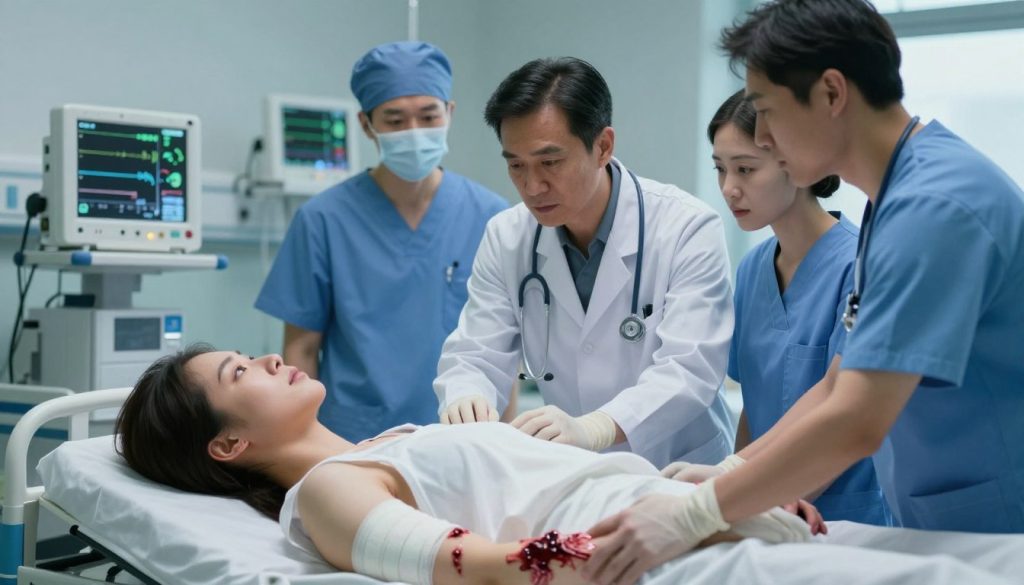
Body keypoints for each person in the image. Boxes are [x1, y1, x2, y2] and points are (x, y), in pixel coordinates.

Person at [583, 1, 1024, 583]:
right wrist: (731, 472)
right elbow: (841, 379)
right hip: (941, 518)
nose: (762, 134)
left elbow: (857, 419)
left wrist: (697, 512)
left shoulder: (934, 206)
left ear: (832, 93)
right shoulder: (893, 203)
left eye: (766, 110)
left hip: (995, 524)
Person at [114, 346, 1022, 585]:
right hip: (659, 558)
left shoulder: (392, 443)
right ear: (227, 445)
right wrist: (626, 539)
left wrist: (697, 488)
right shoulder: (325, 493)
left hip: (701, 521)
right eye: (243, 371)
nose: (271, 360)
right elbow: (471, 563)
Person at [433, 57, 736, 469]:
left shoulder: (686, 228)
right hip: (577, 473)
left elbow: (689, 370)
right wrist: (466, 394)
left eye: (550, 162)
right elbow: (475, 353)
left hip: (676, 469)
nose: (532, 186)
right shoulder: (507, 237)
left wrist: (597, 427)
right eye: (515, 165)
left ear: (603, 146)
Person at [255, 41, 507, 442]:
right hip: (353, 438)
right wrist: (308, 446)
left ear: (450, 114)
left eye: (428, 116)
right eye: (394, 120)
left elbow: (504, 347)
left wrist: (505, 442)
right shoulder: (323, 219)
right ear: (366, 124)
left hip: (463, 436)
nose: (414, 132)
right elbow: (300, 351)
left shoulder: (494, 217)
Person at [668, 89, 891, 525]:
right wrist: (733, 492)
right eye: (720, 169)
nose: (729, 188)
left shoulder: (859, 266)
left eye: (746, 169)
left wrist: (742, 488)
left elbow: (838, 402)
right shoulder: (752, 269)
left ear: (797, 165)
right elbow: (755, 406)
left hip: (846, 513)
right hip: (770, 502)